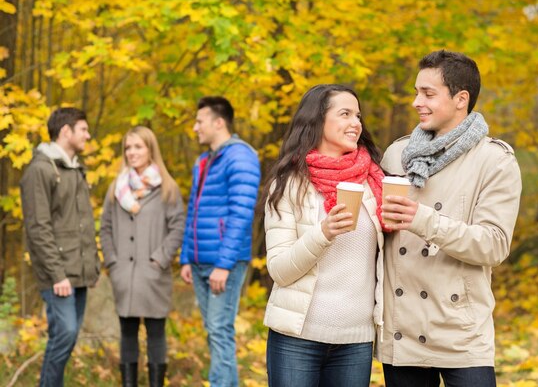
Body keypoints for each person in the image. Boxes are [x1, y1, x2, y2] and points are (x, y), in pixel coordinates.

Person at [379, 50, 523, 387]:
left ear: (461, 99)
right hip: (403, 330)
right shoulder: (397, 154)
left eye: (428, 94)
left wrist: (424, 221)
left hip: (461, 333)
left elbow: (494, 245)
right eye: (416, 92)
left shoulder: (494, 161)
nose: (417, 102)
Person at [262, 84, 386, 387]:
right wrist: (323, 233)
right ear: (317, 120)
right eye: (344, 113)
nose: (355, 123)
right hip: (297, 338)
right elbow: (279, 270)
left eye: (357, 115)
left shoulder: (375, 181)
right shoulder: (288, 185)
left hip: (355, 342)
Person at [179, 96, 261, 387]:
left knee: (219, 330)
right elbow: (194, 209)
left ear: (218, 122)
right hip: (200, 260)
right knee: (213, 330)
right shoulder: (203, 161)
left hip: (224, 263)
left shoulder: (241, 157)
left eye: (199, 121)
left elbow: (241, 215)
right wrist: (186, 257)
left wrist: (224, 265)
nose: (195, 127)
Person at [20, 107, 100, 387]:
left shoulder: (75, 169)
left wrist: (91, 266)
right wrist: (57, 275)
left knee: (69, 336)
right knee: (64, 333)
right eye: (83, 130)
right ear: (66, 131)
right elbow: (38, 228)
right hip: (58, 275)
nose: (88, 136)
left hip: (77, 272)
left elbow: (79, 224)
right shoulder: (41, 170)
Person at [100, 126, 185, 387]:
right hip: (124, 274)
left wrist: (160, 259)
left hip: (153, 274)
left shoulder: (167, 188)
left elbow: (178, 226)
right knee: (127, 334)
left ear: (150, 149)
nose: (132, 152)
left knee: (156, 333)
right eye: (128, 147)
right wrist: (112, 261)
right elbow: (105, 227)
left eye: (138, 147)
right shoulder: (117, 188)